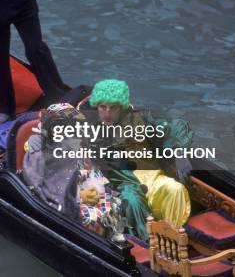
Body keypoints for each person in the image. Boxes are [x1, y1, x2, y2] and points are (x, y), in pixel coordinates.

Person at [78, 79, 193, 241]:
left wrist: (179, 152)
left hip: (154, 180)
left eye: (113, 108)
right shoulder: (90, 132)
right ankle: (148, 246)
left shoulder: (140, 119)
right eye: (103, 107)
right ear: (97, 107)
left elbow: (176, 126)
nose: (107, 113)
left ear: (121, 107)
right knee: (133, 201)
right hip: (124, 185)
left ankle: (171, 241)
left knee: (175, 190)